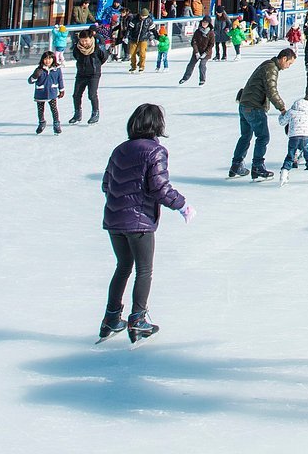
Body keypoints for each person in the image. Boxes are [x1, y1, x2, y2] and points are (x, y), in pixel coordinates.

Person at [98, 103, 193, 344]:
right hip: (138, 222)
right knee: (144, 270)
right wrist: (181, 205)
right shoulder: (155, 151)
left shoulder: (119, 150)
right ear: (157, 125)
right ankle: (137, 320)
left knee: (123, 266)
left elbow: (106, 185)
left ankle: (111, 318)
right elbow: (159, 187)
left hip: (114, 219)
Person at [229, 47, 297, 180]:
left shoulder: (267, 65)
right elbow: (271, 91)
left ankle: (236, 165)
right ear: (284, 58)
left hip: (244, 105)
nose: (288, 66)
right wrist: (282, 108)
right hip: (254, 107)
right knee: (263, 137)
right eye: (289, 63)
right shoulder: (271, 68)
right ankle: (258, 166)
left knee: (245, 136)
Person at [279, 95, 308, 185]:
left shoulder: (291, 112)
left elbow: (282, 122)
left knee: (290, 156)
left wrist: (281, 115)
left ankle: (284, 174)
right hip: (306, 137)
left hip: (293, 137)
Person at [69, 25, 107, 124]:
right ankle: (77, 113)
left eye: (86, 40)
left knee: (92, 95)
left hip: (94, 74)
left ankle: (95, 113)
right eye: (82, 41)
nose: (84, 43)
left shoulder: (97, 48)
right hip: (81, 74)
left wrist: (96, 66)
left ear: (91, 39)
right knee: (76, 95)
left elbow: (104, 57)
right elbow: (76, 57)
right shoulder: (77, 49)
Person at [29, 51, 64, 135]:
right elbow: (30, 81)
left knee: (54, 109)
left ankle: (56, 124)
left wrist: (61, 90)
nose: (47, 61)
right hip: (41, 93)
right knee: (40, 110)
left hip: (52, 92)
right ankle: (42, 122)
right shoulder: (39, 70)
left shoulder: (57, 69)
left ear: (53, 59)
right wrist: (35, 76)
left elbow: (60, 79)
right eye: (45, 59)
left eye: (49, 59)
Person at [179, 17, 215, 86]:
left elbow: (211, 44)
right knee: (191, 64)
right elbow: (193, 42)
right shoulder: (198, 31)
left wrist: (205, 53)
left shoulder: (211, 33)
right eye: (203, 22)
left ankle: (202, 79)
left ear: (209, 24)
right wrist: (196, 52)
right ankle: (185, 78)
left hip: (206, 53)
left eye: (206, 22)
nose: (204, 24)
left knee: (202, 65)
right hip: (197, 51)